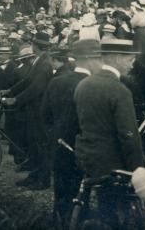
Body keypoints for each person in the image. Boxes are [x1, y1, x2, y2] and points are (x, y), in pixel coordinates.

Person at [74, 38, 145, 228]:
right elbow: (129, 136)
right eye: (129, 59)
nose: (133, 63)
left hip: (89, 160)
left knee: (105, 210)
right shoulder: (119, 90)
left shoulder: (83, 85)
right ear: (115, 58)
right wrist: (139, 169)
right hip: (114, 166)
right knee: (119, 214)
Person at [41, 40, 103, 225]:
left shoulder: (57, 82)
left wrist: (57, 135)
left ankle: (60, 221)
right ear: (92, 60)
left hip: (61, 145)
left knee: (61, 191)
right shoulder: (95, 84)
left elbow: (45, 115)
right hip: (86, 147)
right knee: (82, 192)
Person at [0, 31, 54, 189]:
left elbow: (36, 88)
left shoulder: (45, 64)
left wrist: (16, 99)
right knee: (34, 144)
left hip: (39, 110)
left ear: (36, 46)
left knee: (40, 145)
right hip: (33, 109)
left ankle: (42, 180)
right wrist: (10, 91)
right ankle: (35, 175)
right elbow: (27, 81)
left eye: (32, 44)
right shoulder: (39, 61)